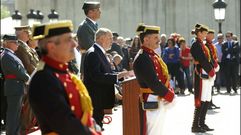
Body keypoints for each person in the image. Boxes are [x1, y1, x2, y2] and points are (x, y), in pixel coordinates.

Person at [28, 20, 101, 135]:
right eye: (68, 40)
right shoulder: (43, 79)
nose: (75, 44)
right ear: (51, 47)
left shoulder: (63, 73)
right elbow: (65, 124)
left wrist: (94, 127)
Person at [133, 24, 175, 135]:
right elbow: (153, 83)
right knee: (153, 132)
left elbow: (162, 77)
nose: (159, 40)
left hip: (157, 97)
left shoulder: (151, 55)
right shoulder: (143, 57)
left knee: (158, 130)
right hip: (151, 98)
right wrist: (169, 95)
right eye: (155, 37)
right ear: (146, 40)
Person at [83, 28, 128, 130]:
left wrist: (121, 75)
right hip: (96, 98)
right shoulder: (93, 53)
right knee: (95, 127)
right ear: (102, 38)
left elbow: (107, 73)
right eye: (110, 38)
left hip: (100, 99)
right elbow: (96, 76)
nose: (112, 41)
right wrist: (117, 76)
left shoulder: (99, 52)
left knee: (98, 127)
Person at [1, 34, 30, 135]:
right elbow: (16, 71)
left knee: (16, 113)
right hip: (14, 86)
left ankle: (15, 132)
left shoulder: (11, 55)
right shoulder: (6, 55)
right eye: (15, 43)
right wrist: (28, 78)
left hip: (17, 86)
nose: (17, 45)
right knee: (13, 113)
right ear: (8, 43)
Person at [190, 24, 215, 133]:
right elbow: (201, 59)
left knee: (206, 99)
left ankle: (202, 123)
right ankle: (195, 125)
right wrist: (211, 70)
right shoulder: (196, 45)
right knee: (200, 100)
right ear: (199, 33)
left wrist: (212, 67)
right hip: (201, 74)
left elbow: (206, 59)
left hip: (206, 74)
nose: (206, 35)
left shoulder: (202, 44)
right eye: (204, 33)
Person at [77, 1, 101, 78]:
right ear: (90, 12)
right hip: (89, 65)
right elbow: (91, 47)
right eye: (98, 10)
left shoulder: (92, 25)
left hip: (95, 63)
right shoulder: (84, 26)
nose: (100, 12)